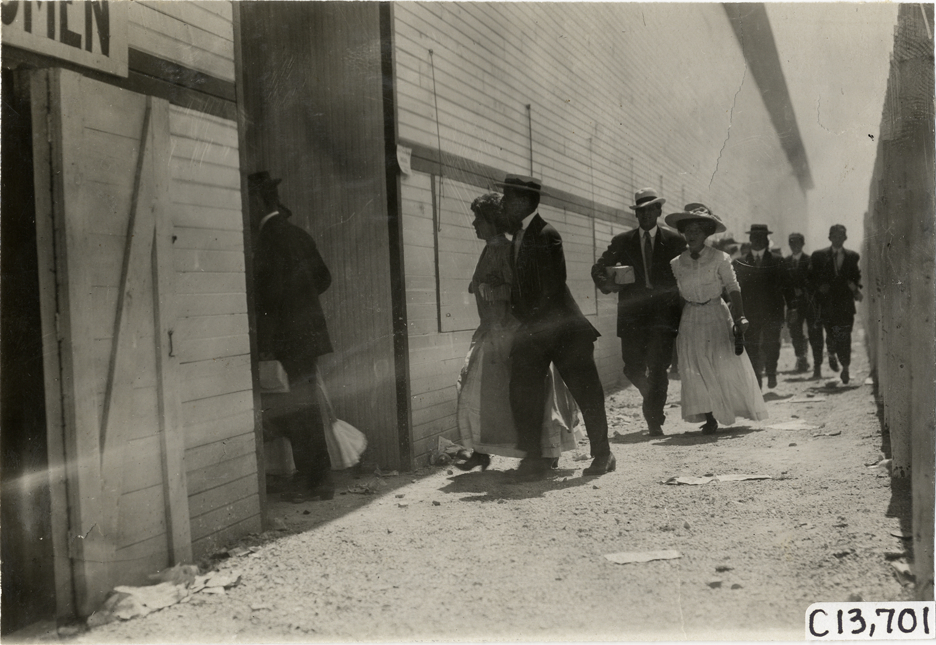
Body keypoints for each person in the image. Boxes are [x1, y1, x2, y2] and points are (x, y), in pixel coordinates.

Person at [499, 174, 614, 480]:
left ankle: (603, 454)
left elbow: (551, 287)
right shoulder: (519, 236)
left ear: (524, 201)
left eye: (508, 199)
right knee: (522, 390)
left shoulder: (546, 234)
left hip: (565, 332)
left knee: (586, 392)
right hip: (535, 330)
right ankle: (533, 460)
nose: (504, 204)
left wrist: (530, 324)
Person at [455, 193, 580, 471]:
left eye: (479, 219)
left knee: (520, 395)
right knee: (477, 391)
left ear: (493, 222)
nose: (474, 224)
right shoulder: (490, 248)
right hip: (492, 330)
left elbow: (518, 290)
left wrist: (492, 290)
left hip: (510, 332)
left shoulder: (506, 249)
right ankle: (480, 449)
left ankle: (545, 451)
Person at [249, 171, 335, 500]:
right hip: (307, 336)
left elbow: (268, 298)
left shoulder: (268, 239)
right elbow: (323, 278)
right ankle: (318, 479)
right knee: (306, 409)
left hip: (287, 339)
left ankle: (315, 482)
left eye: (248, 201)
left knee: (299, 412)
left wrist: (267, 342)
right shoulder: (298, 234)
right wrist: (303, 302)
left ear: (259, 201)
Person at [591, 189, 686, 437]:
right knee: (632, 367)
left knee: (658, 369)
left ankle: (654, 420)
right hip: (633, 316)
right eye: (641, 211)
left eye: (650, 210)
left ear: (659, 211)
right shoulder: (623, 241)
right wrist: (608, 284)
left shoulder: (675, 241)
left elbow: (689, 271)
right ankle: (650, 396)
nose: (645, 215)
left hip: (664, 317)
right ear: (636, 214)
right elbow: (598, 268)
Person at [665, 205, 768, 434]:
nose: (692, 235)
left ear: (706, 233)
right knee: (696, 365)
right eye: (688, 231)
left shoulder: (719, 258)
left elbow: (732, 286)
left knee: (719, 363)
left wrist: (740, 316)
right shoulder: (676, 263)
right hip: (691, 317)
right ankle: (709, 416)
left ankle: (726, 409)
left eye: (697, 231)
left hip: (716, 314)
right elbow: (678, 296)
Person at [732, 224, 790, 389]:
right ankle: (756, 377)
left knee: (772, 344)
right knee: (751, 345)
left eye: (761, 237)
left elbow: (787, 286)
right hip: (749, 312)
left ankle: (771, 372)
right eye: (754, 237)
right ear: (750, 239)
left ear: (766, 240)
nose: (758, 240)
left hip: (773, 311)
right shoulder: (740, 262)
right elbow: (734, 288)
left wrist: (792, 307)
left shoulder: (778, 260)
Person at [809, 224, 863, 385]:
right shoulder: (819, 256)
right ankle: (831, 353)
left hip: (845, 304)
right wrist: (819, 287)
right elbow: (810, 277)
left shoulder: (852, 256)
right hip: (828, 304)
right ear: (829, 237)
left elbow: (856, 276)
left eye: (841, 236)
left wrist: (855, 287)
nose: (838, 239)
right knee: (831, 334)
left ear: (845, 238)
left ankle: (845, 367)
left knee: (845, 335)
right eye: (835, 236)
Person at [783, 232, 823, 376]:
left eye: (797, 243)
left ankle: (817, 365)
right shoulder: (785, 262)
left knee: (814, 333)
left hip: (810, 303)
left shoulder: (810, 260)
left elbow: (816, 281)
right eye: (792, 243)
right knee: (795, 332)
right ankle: (801, 359)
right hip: (793, 305)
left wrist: (804, 289)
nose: (795, 246)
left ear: (803, 244)